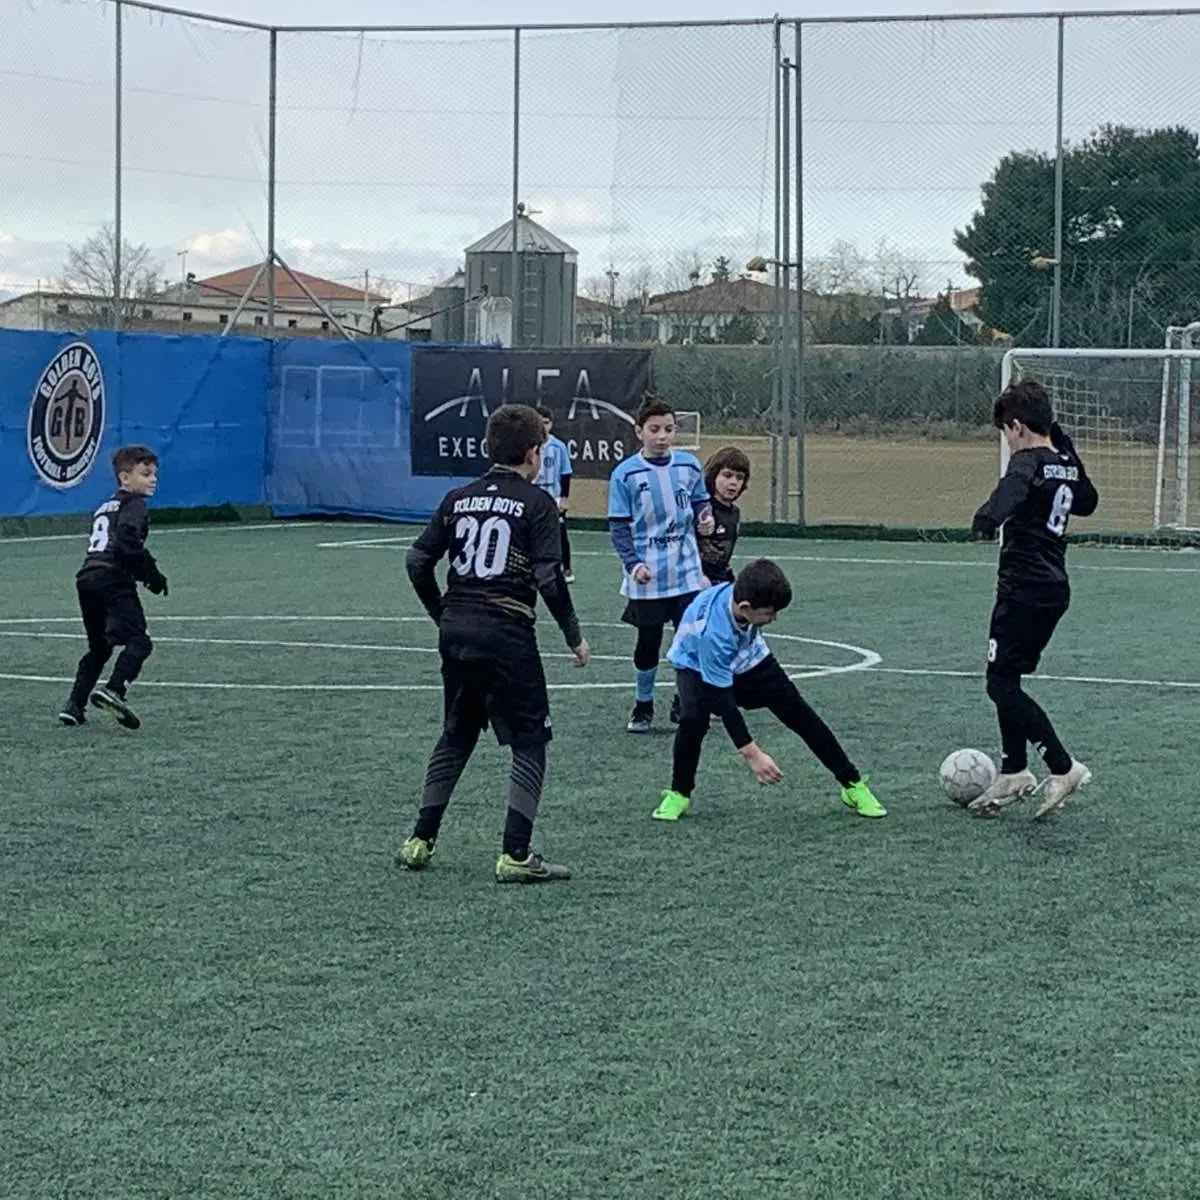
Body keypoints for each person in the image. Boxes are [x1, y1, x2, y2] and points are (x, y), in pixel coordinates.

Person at [401, 403, 591, 883]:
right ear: (534, 452)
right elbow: (548, 576)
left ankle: (419, 841)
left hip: (457, 630)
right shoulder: (537, 503)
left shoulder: (457, 498)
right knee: (530, 741)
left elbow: (416, 561)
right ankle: (516, 854)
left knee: (457, 732)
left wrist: (441, 612)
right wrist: (574, 635)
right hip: (506, 631)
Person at [652, 558, 886, 821]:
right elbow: (725, 703)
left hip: (748, 657)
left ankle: (852, 784)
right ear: (745, 607)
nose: (774, 619)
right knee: (693, 720)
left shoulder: (743, 594)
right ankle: (679, 794)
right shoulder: (712, 633)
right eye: (769, 613)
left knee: (799, 713)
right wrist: (753, 754)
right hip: (695, 665)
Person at [967, 379, 1098, 820]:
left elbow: (1013, 490)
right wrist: (1066, 446)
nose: (1007, 439)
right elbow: (1088, 503)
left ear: (1018, 426)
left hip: (1023, 587)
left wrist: (986, 520)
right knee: (1007, 677)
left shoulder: (1025, 461)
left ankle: (1062, 766)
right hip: (1053, 586)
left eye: (1006, 430)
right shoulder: (1063, 461)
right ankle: (1014, 769)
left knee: (998, 683)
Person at [607, 395, 714, 733]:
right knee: (648, 642)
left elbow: (700, 502)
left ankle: (686, 701)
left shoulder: (688, 465)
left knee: (690, 639)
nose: (662, 436)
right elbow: (619, 526)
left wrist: (705, 518)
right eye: (654, 429)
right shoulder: (625, 473)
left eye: (668, 429)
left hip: (686, 573)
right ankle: (643, 704)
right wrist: (633, 564)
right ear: (639, 432)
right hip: (648, 576)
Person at [59, 445, 168, 731]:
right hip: (112, 579)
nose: (153, 479)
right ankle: (115, 689)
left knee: (99, 647)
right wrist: (152, 575)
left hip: (87, 579)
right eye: (145, 474)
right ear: (124, 478)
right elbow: (126, 542)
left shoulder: (105, 507)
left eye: (155, 474)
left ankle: (74, 705)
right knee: (139, 642)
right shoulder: (134, 505)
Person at [533, 404, 575, 583]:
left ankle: (566, 569)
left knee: (559, 531)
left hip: (553, 495)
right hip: (534, 494)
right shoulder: (528, 445)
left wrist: (564, 498)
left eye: (546, 422)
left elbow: (566, 473)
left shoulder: (558, 446)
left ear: (551, 424)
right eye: (539, 423)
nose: (543, 427)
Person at [698, 446, 750, 586]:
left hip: (722, 581)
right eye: (727, 475)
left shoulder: (734, 513)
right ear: (714, 475)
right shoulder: (703, 509)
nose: (733, 482)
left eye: (739, 478)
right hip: (699, 581)